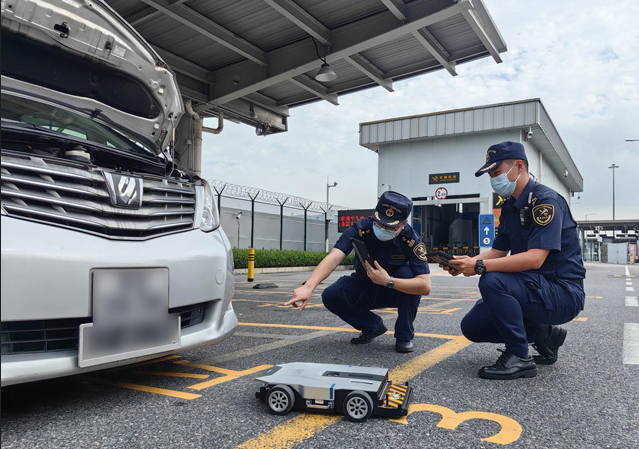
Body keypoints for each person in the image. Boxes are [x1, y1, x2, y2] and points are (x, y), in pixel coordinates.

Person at [445, 141, 586, 380]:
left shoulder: (545, 202)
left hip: (562, 292)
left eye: (497, 172)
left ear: (518, 166)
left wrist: (479, 267)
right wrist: (465, 262)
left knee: (492, 281)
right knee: (473, 326)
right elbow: (498, 252)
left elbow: (535, 259)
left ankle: (519, 356)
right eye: (491, 174)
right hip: (534, 288)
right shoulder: (511, 206)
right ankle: (544, 335)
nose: (493, 179)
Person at [285, 191, 431, 353]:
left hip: (396, 290)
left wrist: (388, 280)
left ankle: (404, 336)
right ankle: (372, 326)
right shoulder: (361, 228)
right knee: (331, 295)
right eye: (379, 223)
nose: (382, 229)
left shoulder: (411, 240)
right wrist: (309, 286)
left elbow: (425, 286)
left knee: (408, 275)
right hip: (366, 286)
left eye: (390, 226)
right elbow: (334, 257)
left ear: (403, 224)